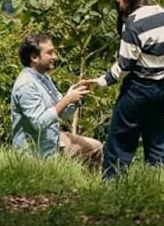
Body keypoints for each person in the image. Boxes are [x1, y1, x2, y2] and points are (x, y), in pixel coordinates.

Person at [89, 0, 164, 180]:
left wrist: (103, 80)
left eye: (118, 2)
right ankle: (157, 182)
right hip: (162, 87)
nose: (119, 7)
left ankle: (112, 184)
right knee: (156, 137)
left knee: (121, 139)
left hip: (138, 88)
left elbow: (125, 65)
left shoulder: (133, 23)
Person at [11, 33, 103, 167]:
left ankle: (86, 181)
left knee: (95, 147)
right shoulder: (26, 85)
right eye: (50, 53)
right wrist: (67, 99)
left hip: (53, 141)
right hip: (35, 152)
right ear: (34, 57)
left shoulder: (44, 78)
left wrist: (76, 98)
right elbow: (39, 123)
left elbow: (63, 113)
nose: (55, 57)